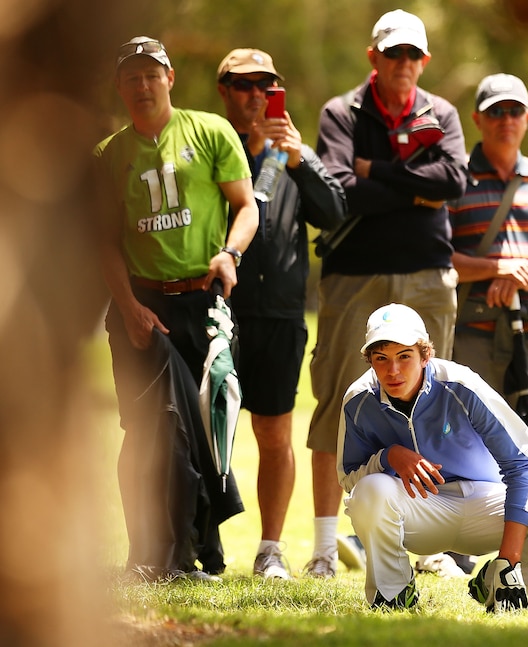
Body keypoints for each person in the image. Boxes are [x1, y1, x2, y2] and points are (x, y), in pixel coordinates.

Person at [309, 9, 468, 578]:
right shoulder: (341, 113)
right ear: (373, 57)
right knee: (336, 402)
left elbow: (452, 181)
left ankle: (431, 548)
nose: (404, 64)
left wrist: (376, 169)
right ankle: (326, 550)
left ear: (424, 61)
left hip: (426, 273)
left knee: (434, 406)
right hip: (355, 276)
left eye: (413, 55)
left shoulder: (440, 113)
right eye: (393, 54)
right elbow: (340, 191)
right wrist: (414, 188)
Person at [94, 37, 259, 581]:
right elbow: (105, 242)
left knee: (207, 429)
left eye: (151, 75)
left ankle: (200, 551)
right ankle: (148, 553)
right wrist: (129, 308)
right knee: (147, 430)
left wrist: (230, 254)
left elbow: (246, 207)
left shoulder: (210, 132)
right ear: (120, 87)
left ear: (169, 79)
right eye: (131, 78)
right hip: (141, 308)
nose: (142, 86)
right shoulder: (110, 154)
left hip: (202, 301)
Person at [337, 303, 528, 609]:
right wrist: (389, 457)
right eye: (381, 359)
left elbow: (521, 463)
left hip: (485, 504)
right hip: (417, 511)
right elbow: (349, 478)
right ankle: (393, 592)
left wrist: (509, 558)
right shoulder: (358, 400)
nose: (392, 371)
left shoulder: (461, 384)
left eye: (404, 356)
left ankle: (496, 581)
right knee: (370, 490)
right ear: (369, 360)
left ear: (425, 355)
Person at [215, 48, 347, 579]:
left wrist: (299, 158)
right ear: (223, 90)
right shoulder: (211, 150)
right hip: (220, 309)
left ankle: (270, 549)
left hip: (280, 313)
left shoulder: (294, 156)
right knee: (207, 433)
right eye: (244, 85)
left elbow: (334, 213)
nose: (255, 95)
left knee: (274, 434)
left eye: (265, 86)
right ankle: (200, 542)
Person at [448, 73, 528, 487]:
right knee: (466, 434)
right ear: (477, 119)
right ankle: (461, 550)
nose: (506, 119)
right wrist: (496, 270)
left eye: (514, 111)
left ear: (527, 118)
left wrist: (527, 274)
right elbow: (438, 254)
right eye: (496, 111)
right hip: (471, 328)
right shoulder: (455, 178)